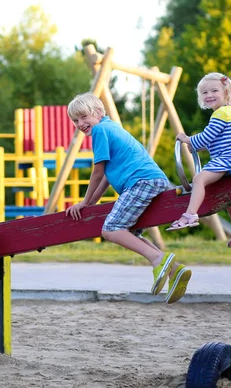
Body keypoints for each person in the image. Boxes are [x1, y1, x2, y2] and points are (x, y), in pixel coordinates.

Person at [65, 93, 191, 304]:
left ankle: (158, 259)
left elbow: (97, 171)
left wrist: (85, 202)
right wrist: (92, 202)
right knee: (129, 231)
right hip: (149, 180)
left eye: (83, 117)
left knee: (111, 229)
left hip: (142, 182)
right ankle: (175, 271)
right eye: (75, 120)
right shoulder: (110, 127)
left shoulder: (100, 130)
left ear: (98, 112)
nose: (80, 123)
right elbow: (106, 175)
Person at [167, 72, 231, 248]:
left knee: (199, 179)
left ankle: (190, 214)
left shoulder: (221, 114)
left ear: (226, 93)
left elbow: (205, 138)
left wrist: (187, 139)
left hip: (230, 160)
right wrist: (199, 146)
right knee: (229, 199)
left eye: (214, 91)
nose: (209, 95)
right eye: (205, 92)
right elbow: (216, 141)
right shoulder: (227, 113)